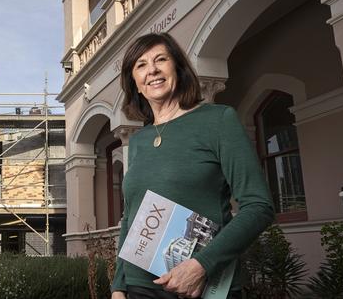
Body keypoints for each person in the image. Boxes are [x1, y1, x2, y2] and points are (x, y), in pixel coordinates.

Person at [111, 32, 274, 299]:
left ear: (178, 68)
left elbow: (259, 206)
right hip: (140, 286)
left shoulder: (218, 120)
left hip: (203, 285)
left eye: (160, 59)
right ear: (135, 83)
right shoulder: (138, 141)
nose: (152, 70)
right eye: (140, 65)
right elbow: (131, 218)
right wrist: (118, 287)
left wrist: (201, 266)